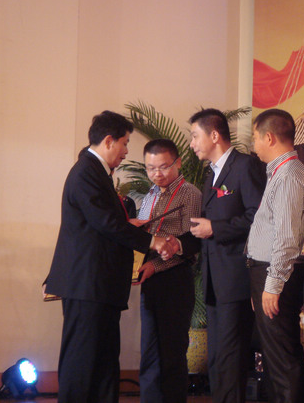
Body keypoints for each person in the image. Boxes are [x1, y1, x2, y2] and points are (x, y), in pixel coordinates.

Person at [44, 111, 178, 403]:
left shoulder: (95, 171)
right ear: (108, 141)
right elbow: (106, 223)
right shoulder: (86, 172)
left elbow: (104, 223)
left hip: (100, 286)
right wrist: (152, 241)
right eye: (125, 142)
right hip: (87, 285)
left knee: (104, 362)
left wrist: (130, 226)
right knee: (82, 362)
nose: (127, 151)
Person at [189, 108, 266, 403]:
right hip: (214, 278)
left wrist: (215, 228)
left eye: (195, 136)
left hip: (236, 277)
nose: (192, 144)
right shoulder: (212, 172)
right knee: (218, 356)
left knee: (232, 356)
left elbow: (258, 216)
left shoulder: (245, 166)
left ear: (214, 135)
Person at [247, 109, 304, 403]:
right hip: (266, 271)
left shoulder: (289, 174)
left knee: (282, 357)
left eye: (255, 138)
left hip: (276, 273)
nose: (254, 145)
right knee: (274, 356)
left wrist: (272, 285)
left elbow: (287, 238)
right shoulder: (280, 171)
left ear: (269, 137)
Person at [134, 139, 202, 403]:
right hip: (149, 279)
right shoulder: (149, 195)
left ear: (178, 163)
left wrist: (156, 265)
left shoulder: (190, 194)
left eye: (163, 167)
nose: (157, 174)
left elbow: (191, 244)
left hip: (175, 279)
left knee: (172, 351)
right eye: (150, 168)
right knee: (149, 350)